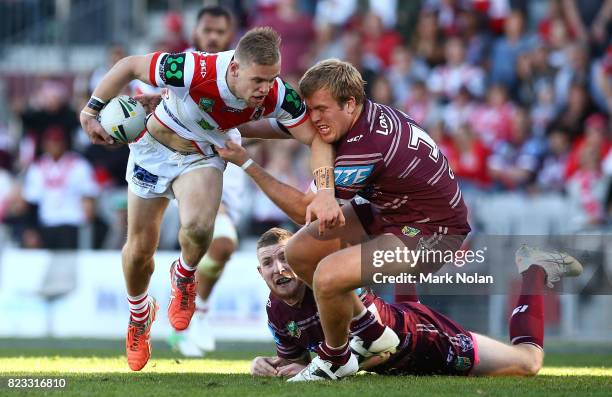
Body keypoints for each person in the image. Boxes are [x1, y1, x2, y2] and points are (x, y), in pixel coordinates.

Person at [79, 27, 343, 372]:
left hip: (201, 157)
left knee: (200, 230)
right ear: (234, 68)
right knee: (140, 249)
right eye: (258, 80)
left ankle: (185, 276)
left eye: (272, 78)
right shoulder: (194, 69)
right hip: (152, 150)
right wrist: (91, 109)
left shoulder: (278, 95)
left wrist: (325, 190)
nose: (265, 89)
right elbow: (129, 65)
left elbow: (317, 139)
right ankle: (140, 314)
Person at [217, 58, 471, 380]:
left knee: (328, 275)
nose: (315, 119)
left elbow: (303, 210)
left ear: (350, 103)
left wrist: (248, 163)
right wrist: (223, 124)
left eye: (321, 109)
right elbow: (289, 127)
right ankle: (370, 331)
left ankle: (336, 358)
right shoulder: (359, 118)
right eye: (311, 109)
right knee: (298, 251)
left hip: (432, 232)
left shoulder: (365, 149)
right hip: (394, 210)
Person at [249, 227, 583, 379]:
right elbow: (294, 359)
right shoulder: (274, 311)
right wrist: (267, 365)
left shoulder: (329, 283)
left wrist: (312, 369)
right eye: (268, 263)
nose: (279, 268)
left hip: (421, 339)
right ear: (259, 271)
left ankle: (534, 268)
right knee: (405, 303)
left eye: (284, 257)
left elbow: (377, 348)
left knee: (528, 363)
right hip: (400, 335)